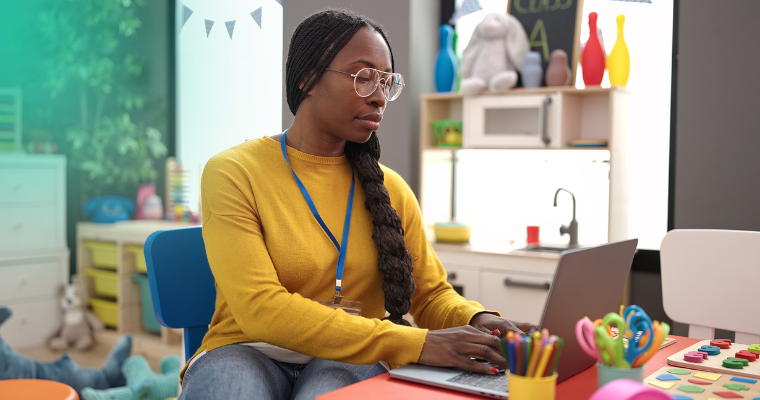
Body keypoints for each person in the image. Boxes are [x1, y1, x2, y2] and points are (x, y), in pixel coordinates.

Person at [178, 8, 533, 400]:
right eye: (364, 78)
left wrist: (479, 320)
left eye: (387, 82)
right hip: (246, 348)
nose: (380, 97)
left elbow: (430, 295)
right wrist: (416, 343)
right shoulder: (233, 171)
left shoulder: (391, 189)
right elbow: (259, 308)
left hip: (352, 355)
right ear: (307, 78)